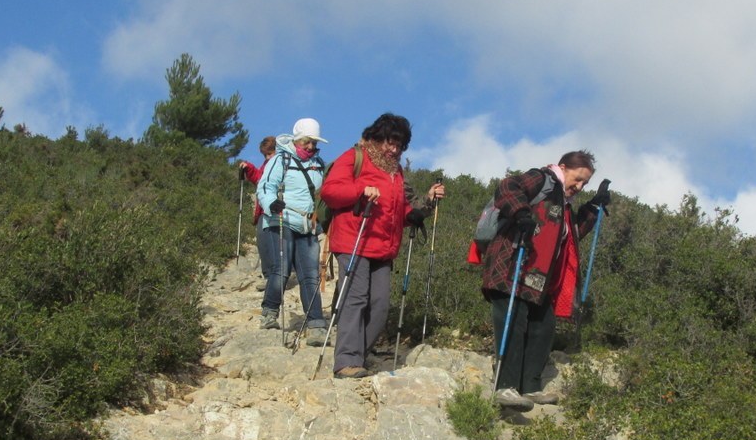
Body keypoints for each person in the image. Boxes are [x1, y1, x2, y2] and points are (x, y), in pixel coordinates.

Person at [476, 150, 609, 410]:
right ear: (563, 167)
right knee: (512, 324)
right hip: (511, 266)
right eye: (578, 179)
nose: (579, 186)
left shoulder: (564, 202)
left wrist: (594, 205)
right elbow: (507, 186)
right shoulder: (542, 180)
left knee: (543, 327)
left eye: (585, 184)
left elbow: (571, 235)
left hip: (538, 278)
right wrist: (521, 212)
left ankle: (530, 386)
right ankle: (505, 387)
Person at [320, 113, 445, 378]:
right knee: (355, 299)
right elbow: (330, 192)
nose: (394, 149)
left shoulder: (396, 173)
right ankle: (346, 361)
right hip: (354, 240)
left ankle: (359, 355)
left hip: (384, 248)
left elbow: (399, 210)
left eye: (399, 145)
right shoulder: (355, 157)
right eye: (390, 142)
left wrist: (423, 206)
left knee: (379, 305)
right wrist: (361, 190)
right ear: (377, 138)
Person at [257, 119, 329, 344]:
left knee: (310, 275)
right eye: (307, 142)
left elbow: (322, 193)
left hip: (307, 225)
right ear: (297, 139)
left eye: (314, 143)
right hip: (281, 219)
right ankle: (269, 313)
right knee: (280, 271)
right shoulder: (281, 158)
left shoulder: (319, 163)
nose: (310, 147)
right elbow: (265, 186)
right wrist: (271, 203)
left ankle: (316, 324)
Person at [239, 136, 277, 291]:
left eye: (270, 153)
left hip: (277, 209)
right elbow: (260, 180)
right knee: (263, 243)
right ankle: (270, 278)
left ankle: (279, 276)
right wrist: (248, 168)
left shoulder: (280, 165)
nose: (267, 157)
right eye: (265, 155)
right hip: (263, 210)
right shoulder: (266, 165)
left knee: (274, 243)